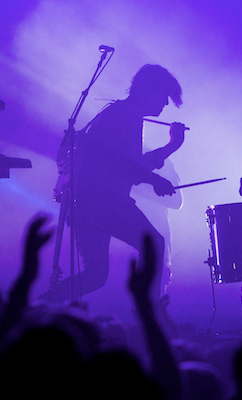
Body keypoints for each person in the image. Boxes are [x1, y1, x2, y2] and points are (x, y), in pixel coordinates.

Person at [47, 64, 187, 303]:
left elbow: (131, 164)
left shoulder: (124, 114)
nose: (165, 103)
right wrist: (156, 176)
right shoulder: (124, 116)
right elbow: (119, 165)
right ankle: (148, 312)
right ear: (147, 90)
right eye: (163, 95)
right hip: (103, 203)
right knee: (153, 243)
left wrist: (171, 147)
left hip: (87, 204)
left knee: (95, 276)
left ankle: (41, 305)